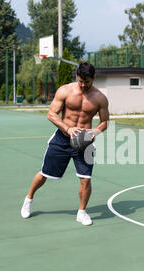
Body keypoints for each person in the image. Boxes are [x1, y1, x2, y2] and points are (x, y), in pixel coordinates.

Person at [20, 62, 109, 226]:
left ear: (93, 79)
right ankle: (29, 198)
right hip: (62, 139)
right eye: (81, 81)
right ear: (77, 77)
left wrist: (94, 132)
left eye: (87, 82)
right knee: (44, 174)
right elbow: (51, 114)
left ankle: (82, 212)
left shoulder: (100, 98)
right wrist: (68, 129)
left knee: (86, 179)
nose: (83, 85)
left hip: (84, 143)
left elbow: (104, 122)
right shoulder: (65, 91)